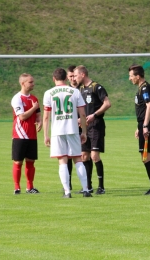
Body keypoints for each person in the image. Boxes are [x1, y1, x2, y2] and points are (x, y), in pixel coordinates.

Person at [43, 67, 92, 198]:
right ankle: (86, 190)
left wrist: (46, 135)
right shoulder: (74, 92)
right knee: (78, 159)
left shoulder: (49, 93)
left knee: (62, 161)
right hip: (72, 129)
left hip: (57, 132)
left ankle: (67, 192)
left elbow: (46, 116)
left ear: (54, 79)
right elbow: (82, 113)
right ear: (66, 78)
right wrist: (84, 132)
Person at [73, 65, 111, 195]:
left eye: (76, 75)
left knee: (94, 156)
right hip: (85, 128)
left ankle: (101, 187)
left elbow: (107, 103)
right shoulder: (80, 89)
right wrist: (79, 119)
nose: (74, 78)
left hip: (96, 126)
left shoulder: (96, 87)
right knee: (84, 156)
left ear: (82, 75)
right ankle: (88, 186)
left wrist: (94, 115)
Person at [128, 65, 150, 195]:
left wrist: (145, 125)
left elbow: (149, 106)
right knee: (149, 156)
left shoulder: (145, 88)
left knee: (146, 156)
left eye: (131, 76)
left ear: (138, 76)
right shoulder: (141, 88)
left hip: (147, 125)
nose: (130, 78)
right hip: (144, 124)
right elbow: (143, 109)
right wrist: (139, 126)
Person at [11, 73, 42, 195]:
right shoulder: (17, 98)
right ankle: (17, 187)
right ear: (23, 83)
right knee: (18, 162)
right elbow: (22, 116)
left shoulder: (34, 98)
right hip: (20, 135)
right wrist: (34, 108)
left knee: (31, 161)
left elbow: (38, 115)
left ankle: (30, 187)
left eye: (33, 81)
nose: (33, 84)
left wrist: (39, 122)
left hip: (32, 135)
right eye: (30, 82)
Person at [65, 65, 80, 190]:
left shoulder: (83, 89)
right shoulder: (65, 91)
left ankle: (87, 185)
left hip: (82, 125)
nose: (73, 79)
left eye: (74, 76)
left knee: (84, 155)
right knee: (68, 156)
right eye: (70, 76)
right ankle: (68, 184)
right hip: (69, 127)